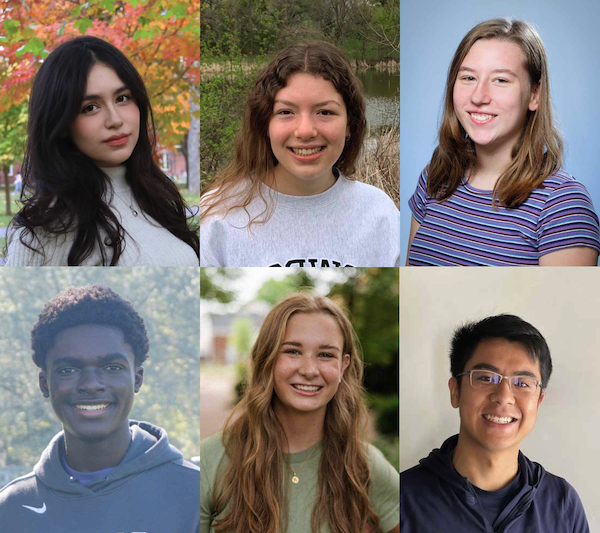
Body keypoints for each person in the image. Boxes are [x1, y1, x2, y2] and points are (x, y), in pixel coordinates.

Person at [0, 285, 200, 532]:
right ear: (45, 384)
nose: (91, 385)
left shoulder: (194, 492)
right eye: (68, 370)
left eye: (112, 367)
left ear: (137, 379)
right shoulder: (11, 507)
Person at [406, 19, 600, 266]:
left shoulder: (564, 206)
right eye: (468, 78)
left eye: (501, 80)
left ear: (534, 95)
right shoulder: (434, 177)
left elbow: (565, 304)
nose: (479, 97)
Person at [200, 293, 399, 532]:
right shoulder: (210, 461)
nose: (309, 370)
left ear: (343, 366)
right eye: (292, 351)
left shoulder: (364, 465)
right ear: (267, 357)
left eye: (326, 354)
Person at [200, 42, 400, 267]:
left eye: (325, 112)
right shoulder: (218, 216)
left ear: (349, 124)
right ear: (265, 123)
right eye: (286, 112)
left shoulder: (380, 213)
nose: (305, 131)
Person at [4, 36, 199, 266]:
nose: (115, 120)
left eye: (122, 98)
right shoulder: (49, 227)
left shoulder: (154, 194)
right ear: (62, 123)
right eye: (90, 107)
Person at [401, 314, 589, 532]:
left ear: (538, 402)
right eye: (486, 378)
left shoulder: (562, 504)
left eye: (523, 383)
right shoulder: (405, 498)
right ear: (455, 391)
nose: (503, 396)